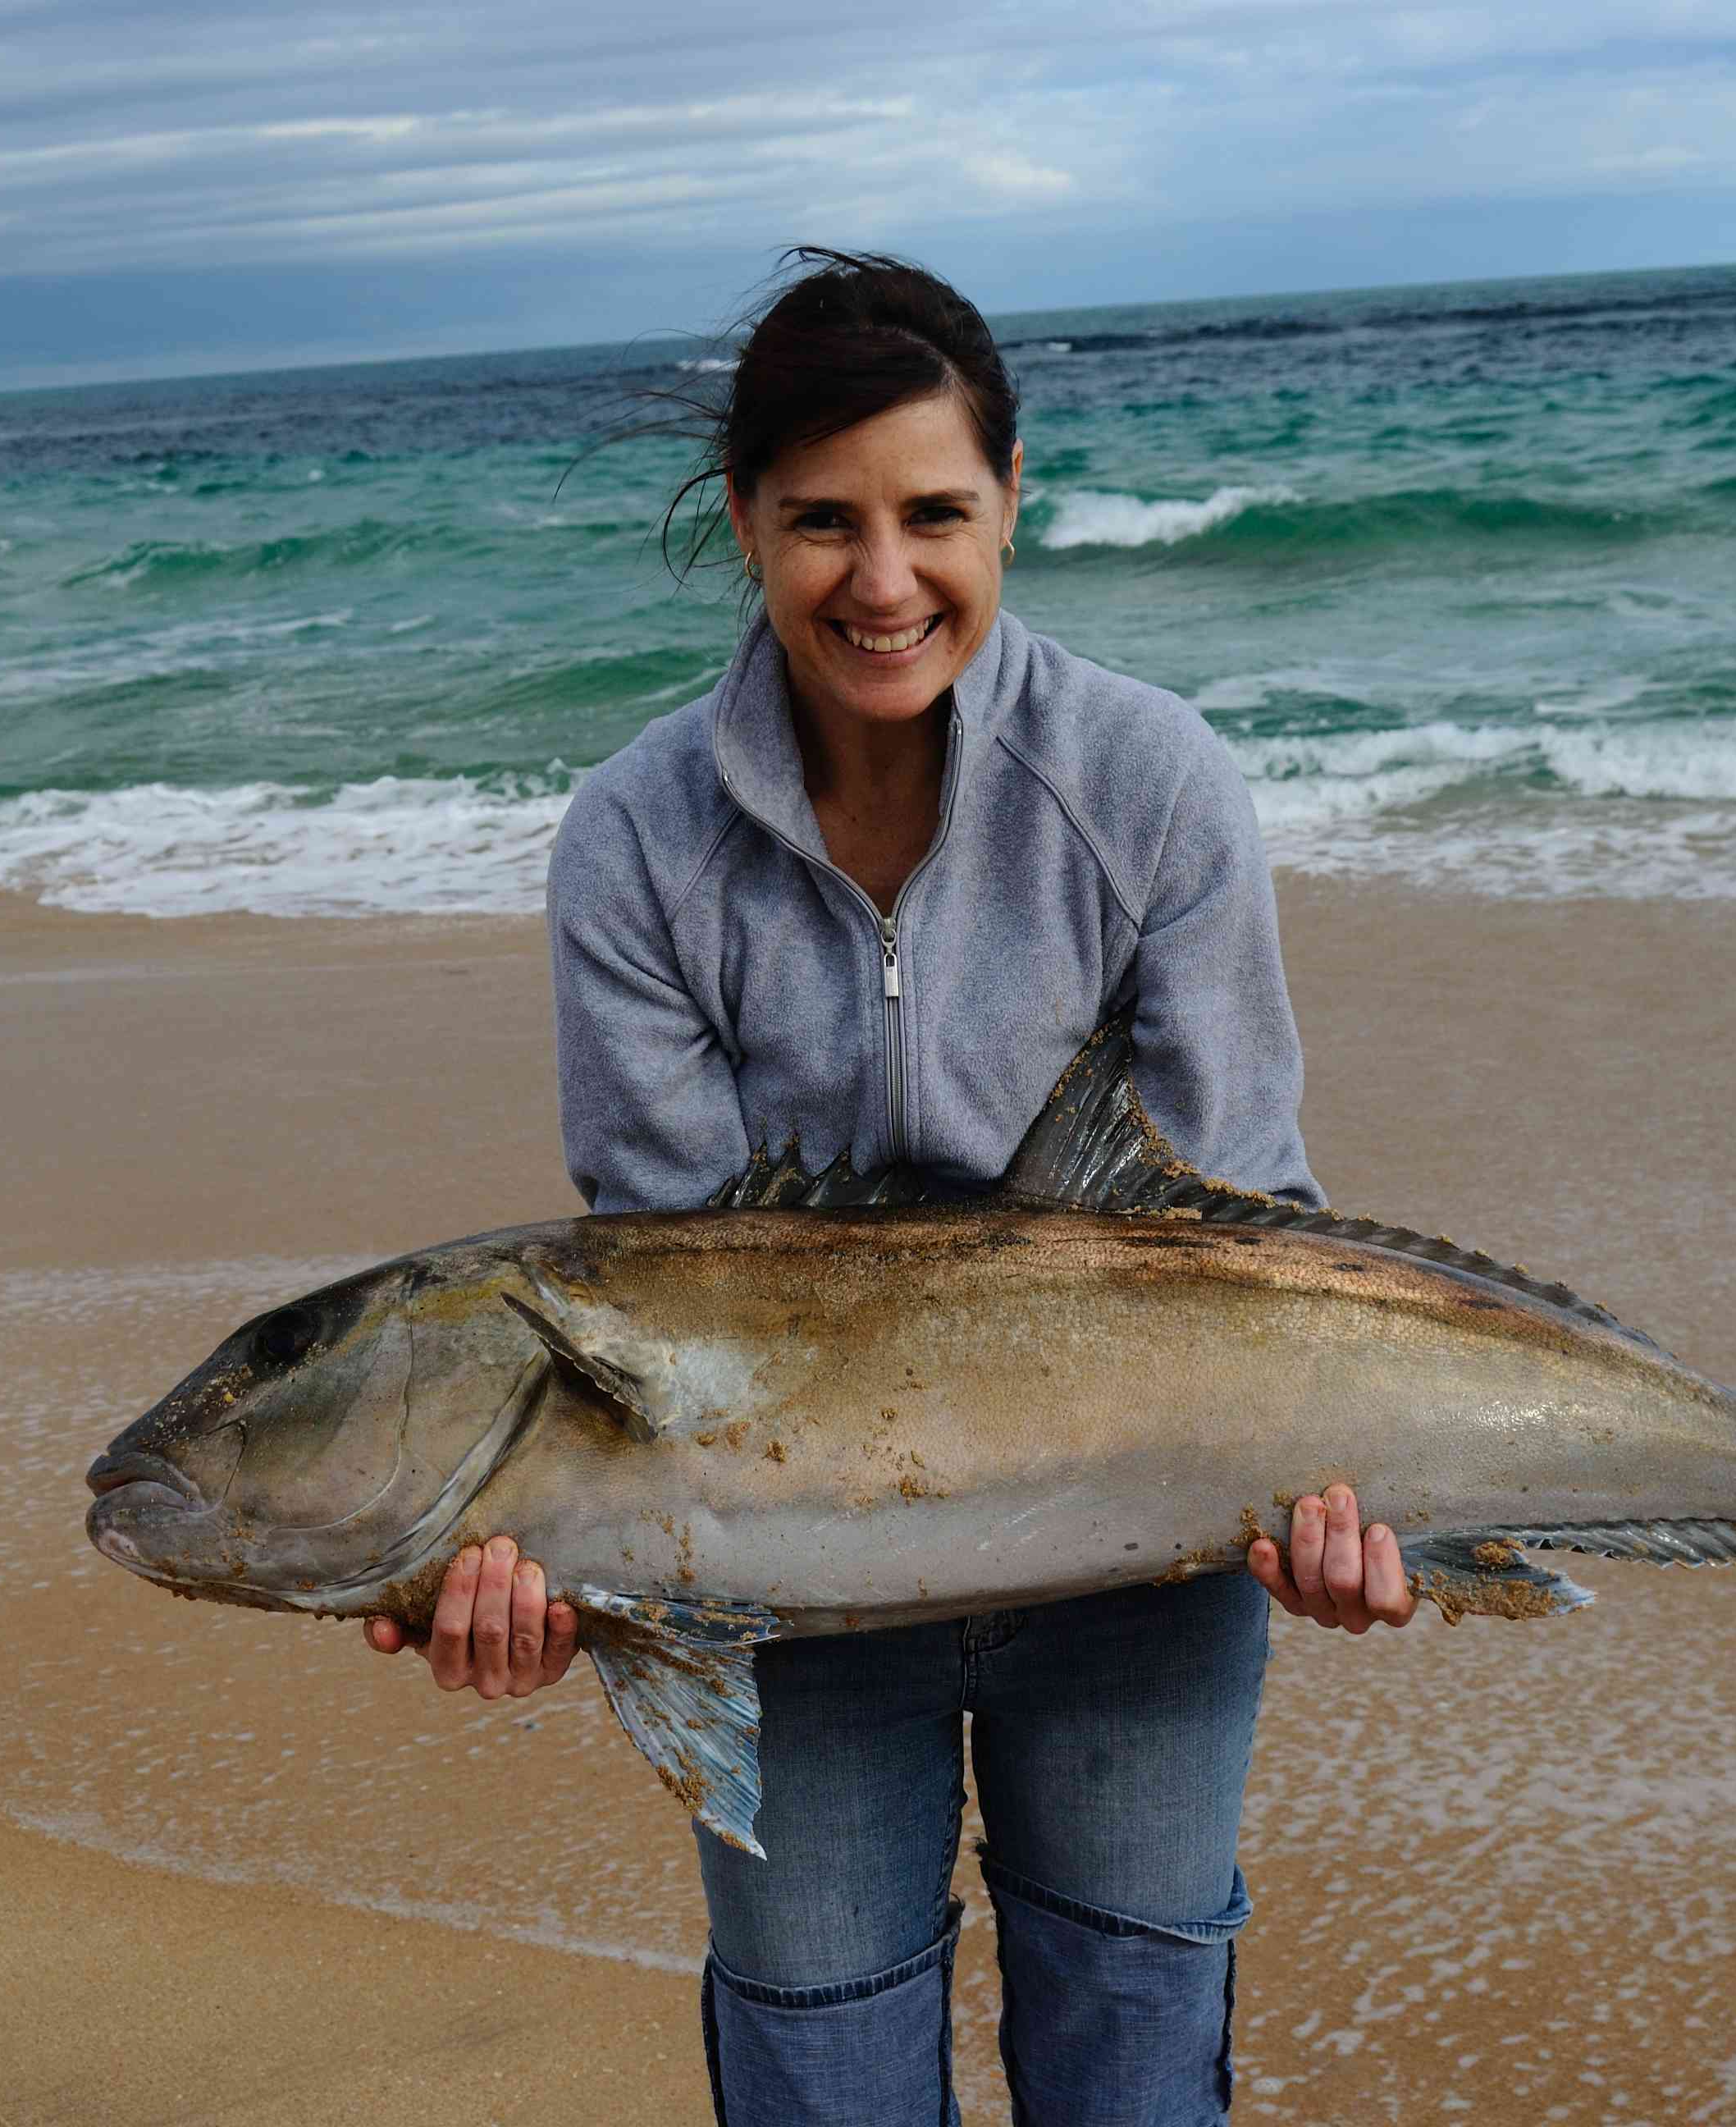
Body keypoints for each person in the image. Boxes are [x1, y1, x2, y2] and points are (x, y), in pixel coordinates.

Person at [363, 248, 1419, 2125]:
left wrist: (1341, 1503)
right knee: (821, 2055)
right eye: (820, 523)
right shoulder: (635, 840)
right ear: (745, 525)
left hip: (1142, 1560)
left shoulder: (1151, 782)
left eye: (935, 514)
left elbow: (1243, 1219)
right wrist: (549, 1575)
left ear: (1013, 498)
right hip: (785, 1591)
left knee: (1130, 2050)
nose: (882, 581)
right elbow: (668, 1297)